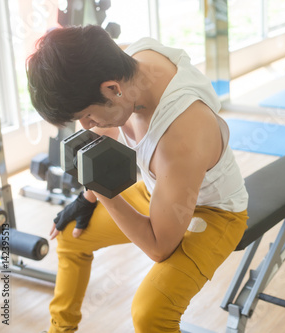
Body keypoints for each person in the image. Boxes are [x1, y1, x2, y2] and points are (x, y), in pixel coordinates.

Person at [26, 25, 249, 333]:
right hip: (160, 190)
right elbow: (111, 126)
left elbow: (159, 247)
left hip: (214, 212)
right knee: (70, 237)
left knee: (150, 312)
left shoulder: (182, 134)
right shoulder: (128, 64)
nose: (87, 125)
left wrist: (100, 189)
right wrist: (84, 198)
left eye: (87, 115)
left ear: (111, 89)